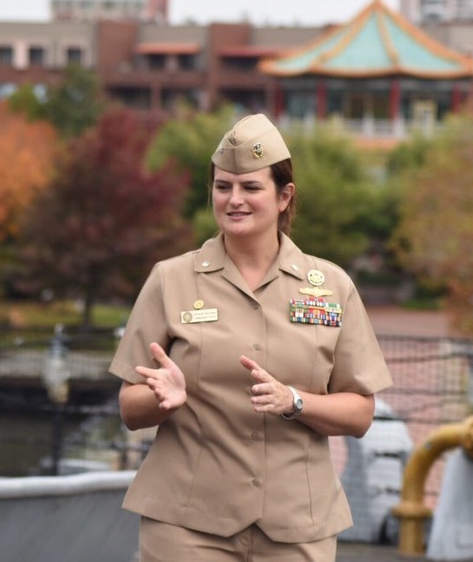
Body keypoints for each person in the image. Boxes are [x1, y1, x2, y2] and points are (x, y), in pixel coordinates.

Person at [109, 113, 392, 562]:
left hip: (298, 526)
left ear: (284, 196)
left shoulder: (332, 286)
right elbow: (129, 406)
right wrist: (164, 398)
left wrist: (295, 402)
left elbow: (359, 412)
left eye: (250, 187)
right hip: (188, 524)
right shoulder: (170, 280)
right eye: (223, 187)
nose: (234, 199)